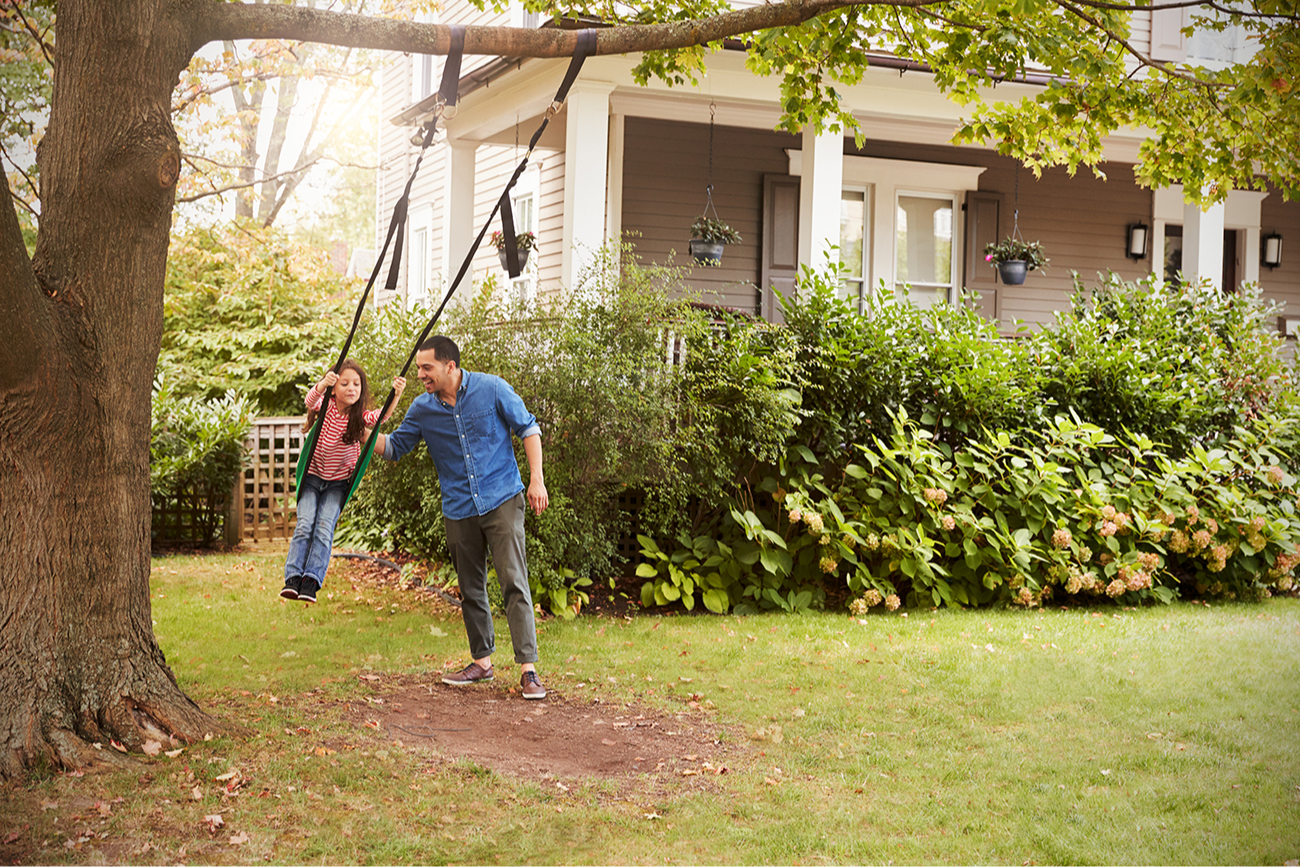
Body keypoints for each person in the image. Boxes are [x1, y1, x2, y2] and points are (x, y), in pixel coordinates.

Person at [377, 335, 550, 700]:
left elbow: (528, 427)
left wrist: (537, 479)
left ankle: (529, 670)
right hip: (458, 508)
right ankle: (483, 663)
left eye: (427, 367)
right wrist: (357, 428)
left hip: (502, 497)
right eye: (420, 367)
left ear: (449, 366)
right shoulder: (423, 409)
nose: (421, 374)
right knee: (471, 590)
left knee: (513, 581)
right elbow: (394, 448)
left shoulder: (491, 388)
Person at [281, 360, 405, 603]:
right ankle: (293, 578)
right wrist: (321, 384)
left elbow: (383, 417)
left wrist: (396, 393)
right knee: (305, 524)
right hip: (313, 478)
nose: (351, 388)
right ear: (334, 388)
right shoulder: (325, 406)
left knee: (324, 527)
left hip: (337, 484)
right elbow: (309, 401)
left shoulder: (359, 418)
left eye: (356, 384)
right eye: (345, 383)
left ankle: (311, 581)